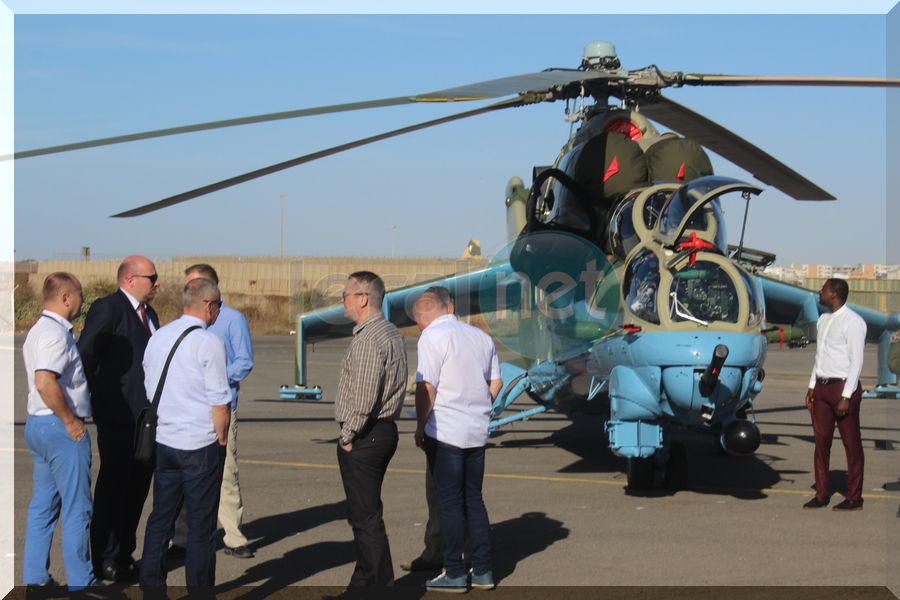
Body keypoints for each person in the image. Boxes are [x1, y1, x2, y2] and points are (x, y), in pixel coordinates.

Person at [138, 277, 231, 591]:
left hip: (165, 441)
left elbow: (149, 386)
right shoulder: (208, 342)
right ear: (208, 305)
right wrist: (222, 436)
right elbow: (220, 400)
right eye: (218, 306)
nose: (218, 312)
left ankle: (151, 586)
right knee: (201, 527)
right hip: (199, 443)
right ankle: (200, 591)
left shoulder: (159, 336)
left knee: (160, 518)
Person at [413, 286, 502, 592]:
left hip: (447, 432)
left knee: (449, 504)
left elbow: (426, 387)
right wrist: (480, 408)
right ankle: (483, 570)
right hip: (476, 432)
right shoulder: (480, 337)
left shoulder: (431, 338)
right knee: (474, 501)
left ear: (422, 319)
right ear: (448, 308)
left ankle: (453, 571)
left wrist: (420, 426)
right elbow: (496, 381)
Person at [77, 255, 160, 582]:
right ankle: (104, 557)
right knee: (113, 488)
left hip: (146, 421)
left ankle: (124, 552)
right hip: (118, 417)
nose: (156, 283)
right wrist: (100, 398)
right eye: (151, 277)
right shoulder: (109, 308)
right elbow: (85, 355)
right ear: (129, 279)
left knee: (137, 488)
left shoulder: (149, 314)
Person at [168, 264, 255, 559]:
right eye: (187, 286)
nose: (189, 291)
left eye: (195, 285)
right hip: (186, 410)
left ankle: (234, 536)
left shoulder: (232, 320)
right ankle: (182, 540)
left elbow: (244, 362)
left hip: (220, 408)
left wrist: (212, 376)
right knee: (181, 476)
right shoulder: (181, 322)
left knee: (225, 472)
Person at [331, 271, 407, 593]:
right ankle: (362, 588)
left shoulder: (367, 340)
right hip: (384, 430)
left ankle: (377, 590)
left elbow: (363, 400)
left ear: (362, 298)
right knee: (367, 516)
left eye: (346, 295)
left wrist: (348, 436)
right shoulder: (391, 333)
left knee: (365, 520)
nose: (343, 301)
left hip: (366, 434)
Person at [22, 273, 96, 591]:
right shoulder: (54, 334)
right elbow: (44, 381)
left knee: (44, 505)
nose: (82, 300)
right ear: (66, 298)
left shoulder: (39, 330)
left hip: (38, 425)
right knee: (77, 507)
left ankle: (36, 578)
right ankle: (82, 581)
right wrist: (70, 419)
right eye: (79, 295)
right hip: (58, 427)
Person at [803, 278, 867, 511]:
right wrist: (812, 385)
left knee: (851, 444)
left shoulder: (853, 322)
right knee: (821, 442)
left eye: (824, 288)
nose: (820, 291)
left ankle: (854, 497)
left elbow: (856, 362)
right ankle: (821, 494)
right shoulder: (824, 320)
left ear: (834, 294)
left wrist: (847, 396)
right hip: (822, 387)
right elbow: (820, 356)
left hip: (842, 388)